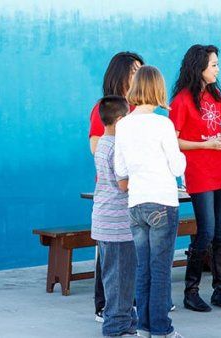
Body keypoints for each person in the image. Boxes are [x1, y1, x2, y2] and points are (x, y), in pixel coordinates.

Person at [115, 65, 186, 338]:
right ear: (158, 90)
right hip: (162, 201)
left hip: (136, 203)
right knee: (160, 269)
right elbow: (177, 166)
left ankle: (143, 328)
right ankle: (161, 329)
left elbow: (120, 169)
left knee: (143, 268)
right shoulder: (163, 124)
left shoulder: (123, 125)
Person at [169, 44, 221, 312]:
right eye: (213, 65)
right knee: (205, 231)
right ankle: (191, 291)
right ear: (200, 68)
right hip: (198, 172)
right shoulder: (182, 99)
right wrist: (205, 145)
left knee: (220, 231)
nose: (217, 69)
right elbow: (174, 140)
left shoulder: (216, 95)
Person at [88, 51, 143, 322]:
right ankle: (104, 305)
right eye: (133, 71)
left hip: (136, 191)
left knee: (128, 250)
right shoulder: (106, 107)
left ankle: (128, 302)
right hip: (113, 189)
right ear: (120, 74)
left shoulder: (139, 109)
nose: (137, 76)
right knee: (109, 252)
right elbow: (96, 146)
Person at [91, 96, 137, 337]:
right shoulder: (116, 148)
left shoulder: (103, 144)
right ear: (120, 121)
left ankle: (127, 319)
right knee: (118, 279)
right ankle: (115, 327)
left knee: (122, 275)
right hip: (117, 224)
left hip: (106, 221)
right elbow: (123, 184)